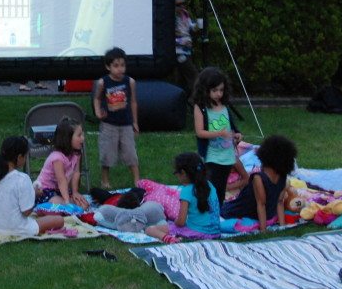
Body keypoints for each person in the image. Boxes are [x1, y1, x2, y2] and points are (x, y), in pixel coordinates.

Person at [0, 136, 66, 236]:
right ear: (19, 158)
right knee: (59, 220)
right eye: (25, 156)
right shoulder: (22, 179)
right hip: (18, 229)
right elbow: (26, 212)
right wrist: (34, 195)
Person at [192, 67, 248, 205]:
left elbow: (231, 125)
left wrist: (237, 134)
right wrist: (219, 133)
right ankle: (209, 210)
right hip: (212, 156)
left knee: (221, 187)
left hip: (227, 155)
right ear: (205, 89)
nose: (218, 94)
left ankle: (219, 211)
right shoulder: (200, 107)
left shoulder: (224, 104)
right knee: (212, 187)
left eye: (221, 90)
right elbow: (199, 132)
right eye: (214, 90)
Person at [221, 135, 298, 232]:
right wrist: (264, 230)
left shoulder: (279, 177)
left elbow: (276, 202)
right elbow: (263, 204)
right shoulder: (260, 178)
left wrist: (281, 227)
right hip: (237, 210)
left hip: (251, 212)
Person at [145, 152, 221, 243]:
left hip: (197, 232)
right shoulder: (210, 185)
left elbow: (181, 222)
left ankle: (169, 239)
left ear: (183, 173)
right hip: (215, 232)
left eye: (176, 172)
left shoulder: (187, 190)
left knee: (150, 229)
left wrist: (175, 222)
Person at [93, 47, 140, 188]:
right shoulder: (103, 82)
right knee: (107, 153)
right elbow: (96, 98)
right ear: (108, 67)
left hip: (126, 124)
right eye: (116, 66)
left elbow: (133, 102)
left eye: (122, 65)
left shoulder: (129, 82)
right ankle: (105, 180)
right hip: (109, 124)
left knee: (131, 153)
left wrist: (135, 122)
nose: (120, 69)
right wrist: (97, 111)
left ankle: (137, 181)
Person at [34, 118, 89, 209]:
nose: (83, 138)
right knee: (62, 206)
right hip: (45, 190)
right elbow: (61, 180)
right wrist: (67, 203)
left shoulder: (77, 154)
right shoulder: (57, 157)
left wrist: (75, 192)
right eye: (79, 135)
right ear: (67, 138)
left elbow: (76, 173)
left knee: (84, 205)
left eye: (82, 134)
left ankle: (61, 205)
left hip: (60, 190)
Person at [174, 0, 199, 90]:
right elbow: (169, 39)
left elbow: (191, 28)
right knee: (194, 75)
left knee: (181, 80)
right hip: (179, 52)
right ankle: (195, 100)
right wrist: (182, 42)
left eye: (183, 4)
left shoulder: (185, 15)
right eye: (178, 5)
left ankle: (182, 102)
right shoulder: (171, 19)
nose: (182, 7)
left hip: (187, 50)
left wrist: (197, 26)